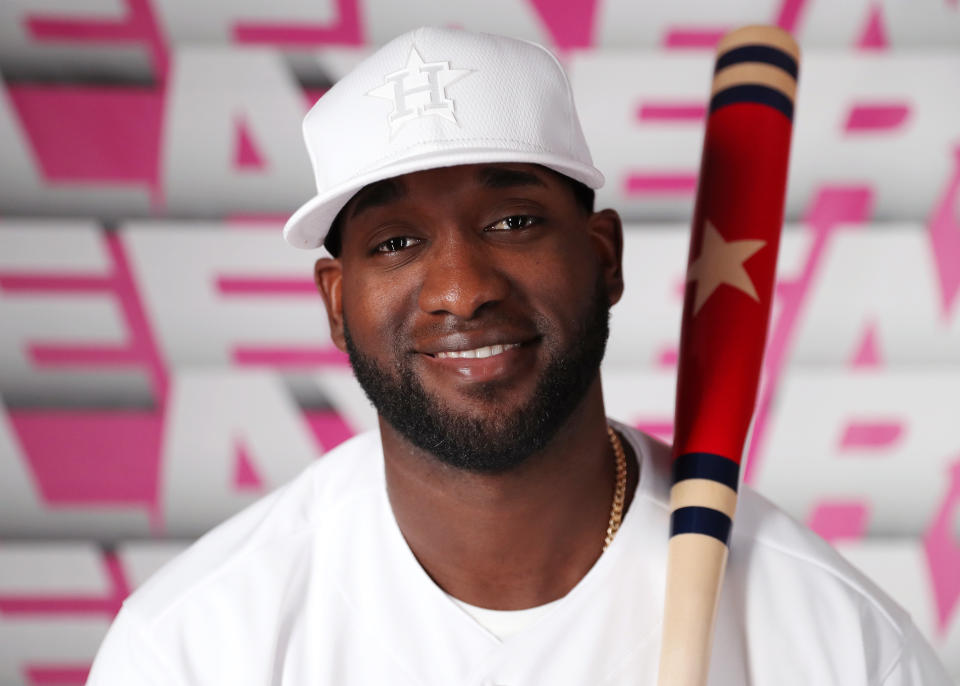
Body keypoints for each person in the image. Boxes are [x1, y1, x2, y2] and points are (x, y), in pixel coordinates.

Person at [86, 26, 951, 686]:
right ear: (335, 302)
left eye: (513, 221)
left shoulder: (836, 638)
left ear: (604, 257)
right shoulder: (197, 645)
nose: (462, 289)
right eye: (394, 242)